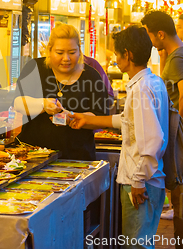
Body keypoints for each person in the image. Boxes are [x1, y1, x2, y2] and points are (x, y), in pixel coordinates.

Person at [68, 25, 169, 248]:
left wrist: (139, 180)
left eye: (117, 53)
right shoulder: (152, 82)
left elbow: (152, 139)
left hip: (141, 181)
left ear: (128, 55)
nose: (115, 58)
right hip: (148, 179)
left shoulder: (142, 88)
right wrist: (90, 120)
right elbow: (128, 122)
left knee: (136, 244)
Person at [142, 11, 183, 249]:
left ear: (160, 33)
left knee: (182, 196)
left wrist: (177, 128)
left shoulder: (178, 58)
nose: (149, 41)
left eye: (150, 35)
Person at [13, 24, 109, 160]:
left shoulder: (91, 76)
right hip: (33, 157)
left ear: (79, 51)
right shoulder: (34, 68)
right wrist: (43, 104)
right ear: (49, 50)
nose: (66, 58)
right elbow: (18, 103)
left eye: (72, 52)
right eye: (59, 53)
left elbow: (101, 118)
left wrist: (72, 117)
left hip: (77, 156)